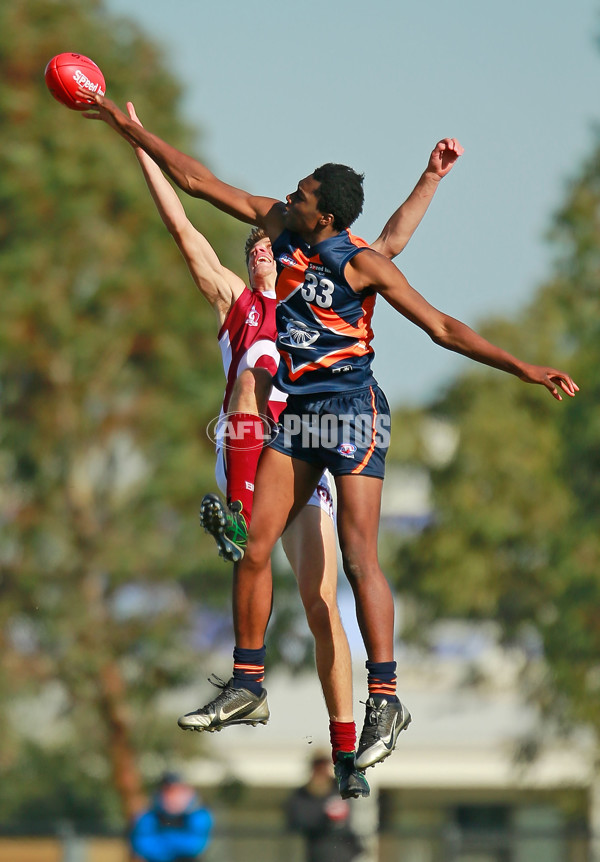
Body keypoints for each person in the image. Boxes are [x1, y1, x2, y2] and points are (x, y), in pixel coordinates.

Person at [78, 90, 577, 775]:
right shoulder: (280, 225)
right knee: (254, 544)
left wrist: (524, 367)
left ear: (329, 215)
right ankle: (248, 683)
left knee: (359, 557)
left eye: (306, 191)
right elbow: (195, 182)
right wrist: (129, 127)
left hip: (352, 413)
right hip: (300, 417)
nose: (293, 192)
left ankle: (384, 696)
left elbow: (442, 328)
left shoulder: (361, 262)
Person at [122, 101, 461, 797]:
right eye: (251, 243)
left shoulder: (319, 276)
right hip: (250, 453)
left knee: (321, 598)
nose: (258, 240)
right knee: (251, 424)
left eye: (264, 239)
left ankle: (346, 754)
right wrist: (141, 147)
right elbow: (185, 223)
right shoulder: (236, 303)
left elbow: (385, 248)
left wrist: (428, 179)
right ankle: (249, 660)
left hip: (308, 449)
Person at [286, 752, 363, 862]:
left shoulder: (340, 789)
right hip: (319, 853)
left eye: (324, 765)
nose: (321, 770)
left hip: (346, 852)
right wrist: (325, 817)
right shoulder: (303, 794)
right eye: (318, 766)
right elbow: (297, 821)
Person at [130, 772, 213, 862]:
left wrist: (162, 840)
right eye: (168, 791)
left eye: (178, 791)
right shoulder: (147, 817)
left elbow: (194, 847)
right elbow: (142, 846)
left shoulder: (200, 815)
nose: (173, 796)